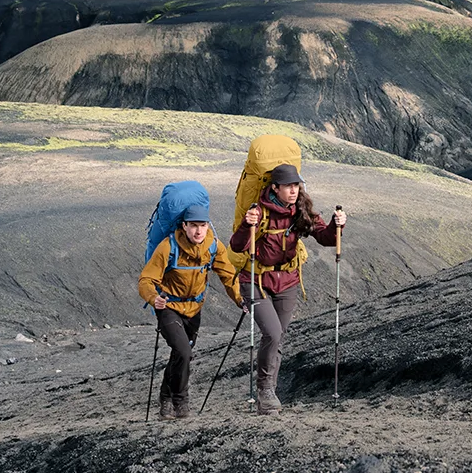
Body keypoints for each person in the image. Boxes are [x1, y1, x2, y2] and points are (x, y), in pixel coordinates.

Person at [231, 162, 346, 415]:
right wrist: (246, 224)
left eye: (296, 185)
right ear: (275, 188)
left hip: (288, 281)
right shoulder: (259, 211)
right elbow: (238, 246)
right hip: (255, 281)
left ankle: (268, 395)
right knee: (272, 333)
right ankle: (265, 390)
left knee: (278, 337)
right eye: (288, 186)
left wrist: (337, 225)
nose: (293, 190)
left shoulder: (301, 211)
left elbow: (326, 238)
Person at [137, 204, 244, 420]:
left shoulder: (214, 247)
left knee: (180, 355)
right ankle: (180, 401)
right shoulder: (168, 247)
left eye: (202, 226)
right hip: (168, 308)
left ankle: (165, 398)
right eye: (193, 226)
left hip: (194, 310)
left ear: (207, 226)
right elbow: (146, 280)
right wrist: (153, 297)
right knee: (184, 352)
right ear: (184, 226)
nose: (198, 231)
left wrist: (241, 299)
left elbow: (228, 276)